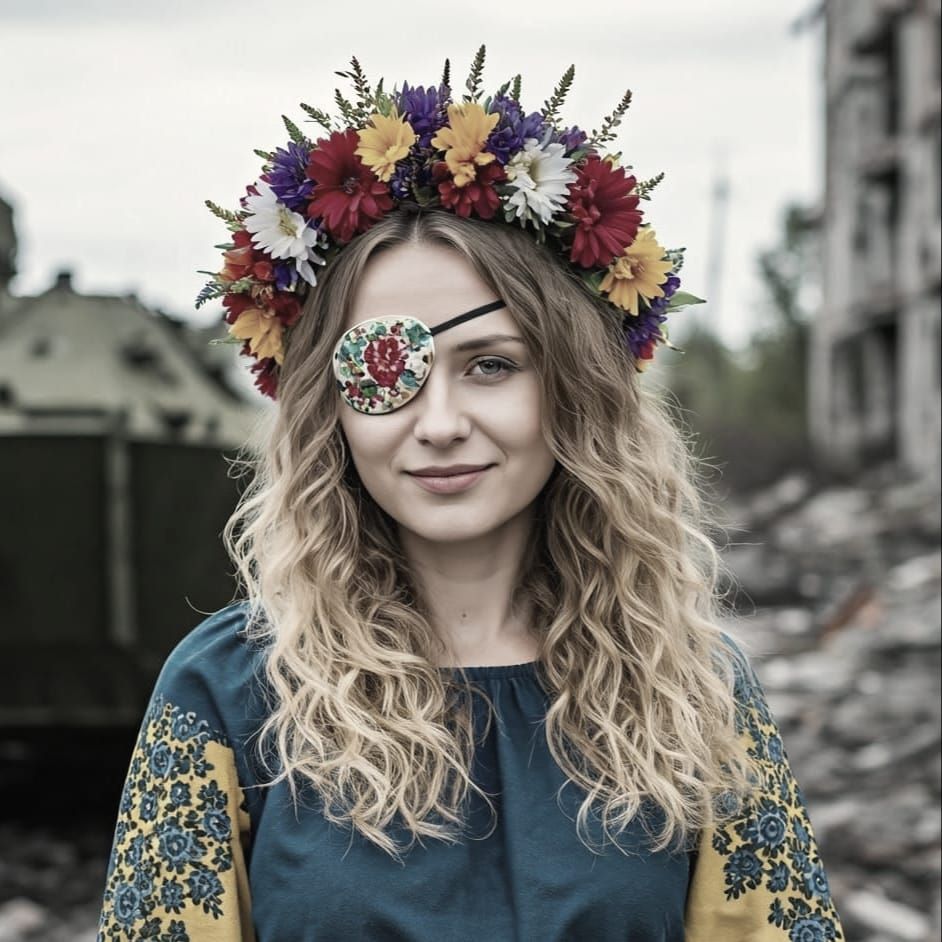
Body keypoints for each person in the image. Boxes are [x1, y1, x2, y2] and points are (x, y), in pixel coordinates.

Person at [98, 50, 844, 941]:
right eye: (387, 369)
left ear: (572, 387)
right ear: (328, 408)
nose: (440, 421)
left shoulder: (695, 691)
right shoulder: (227, 692)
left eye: (490, 365)